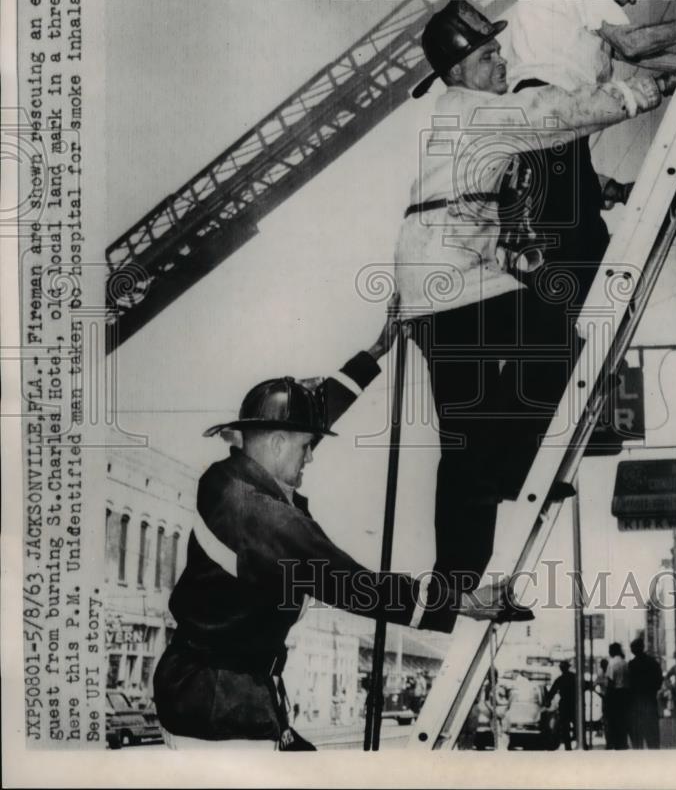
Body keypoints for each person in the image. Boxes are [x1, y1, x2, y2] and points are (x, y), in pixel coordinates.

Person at [397, 0, 674, 624]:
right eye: (490, 54)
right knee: (549, 342)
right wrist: (646, 90)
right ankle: (501, 482)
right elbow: (555, 115)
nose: (502, 61)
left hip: (442, 281)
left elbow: (515, 176)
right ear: (459, 69)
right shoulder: (480, 113)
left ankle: (464, 569)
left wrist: (599, 192)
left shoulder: (464, 114)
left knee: (471, 428)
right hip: (449, 285)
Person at [152, 305, 515, 750]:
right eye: (307, 447)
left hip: (209, 693)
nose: (311, 457)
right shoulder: (260, 515)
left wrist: (377, 350)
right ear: (279, 442)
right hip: (217, 711)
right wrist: (458, 601)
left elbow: (309, 416)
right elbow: (353, 584)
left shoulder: (227, 478)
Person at [496, 0, 676, 463]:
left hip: (556, 139)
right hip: (549, 129)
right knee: (572, 271)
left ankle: (541, 424)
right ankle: (528, 430)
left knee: (577, 266)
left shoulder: (581, 20)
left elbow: (631, 73)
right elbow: (635, 48)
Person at [627, 636, 663, 749]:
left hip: (636, 704)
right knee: (653, 739)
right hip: (650, 701)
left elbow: (629, 684)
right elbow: (659, 681)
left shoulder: (631, 665)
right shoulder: (653, 663)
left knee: (638, 740)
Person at [544, 660, 576, 750]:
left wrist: (548, 701)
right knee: (577, 725)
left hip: (565, 705)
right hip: (574, 705)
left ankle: (568, 746)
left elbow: (552, 692)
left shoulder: (560, 679)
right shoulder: (574, 677)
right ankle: (581, 744)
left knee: (565, 728)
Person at [604, 642, 630, 749]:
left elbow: (610, 682)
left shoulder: (612, 663)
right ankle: (623, 743)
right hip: (625, 694)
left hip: (615, 694)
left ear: (613, 651)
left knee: (613, 721)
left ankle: (615, 743)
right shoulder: (625, 663)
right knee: (623, 721)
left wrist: (607, 698)